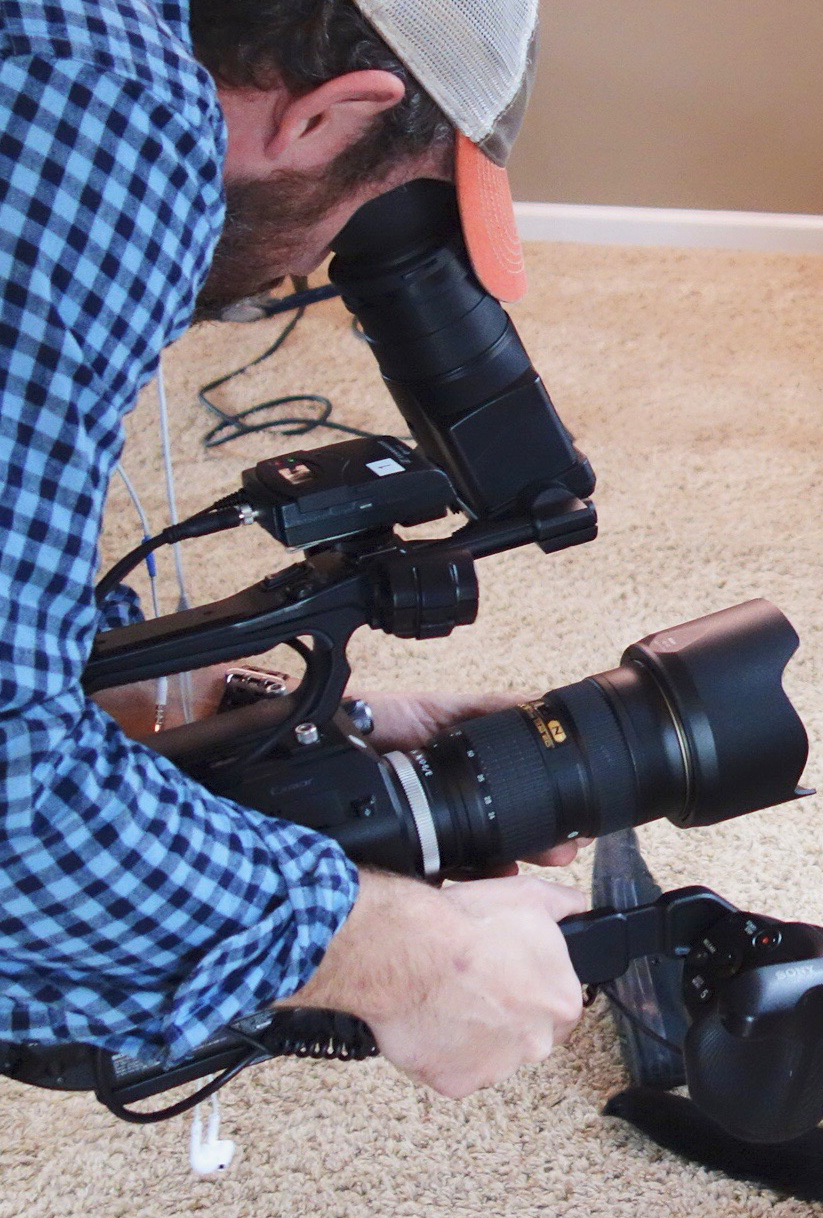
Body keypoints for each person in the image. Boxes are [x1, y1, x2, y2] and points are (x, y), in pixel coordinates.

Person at [1, 0, 589, 1100]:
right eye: (365, 217)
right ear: (329, 111)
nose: (311, 263)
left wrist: (262, 709)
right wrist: (406, 957)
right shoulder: (109, 109)